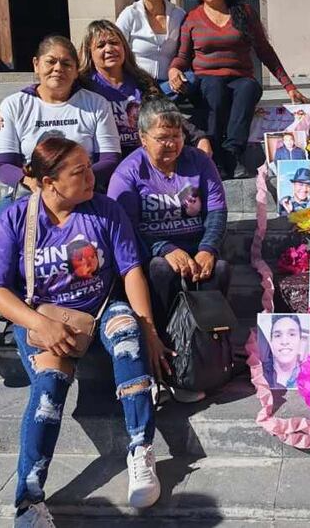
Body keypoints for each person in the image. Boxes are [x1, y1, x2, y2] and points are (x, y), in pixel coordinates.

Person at [0, 137, 167, 523]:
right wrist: (39, 324)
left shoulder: (105, 211)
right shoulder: (13, 221)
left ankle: (140, 449)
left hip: (100, 306)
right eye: (79, 172)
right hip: (43, 315)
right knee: (49, 389)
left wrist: (148, 327)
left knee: (128, 338)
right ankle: (28, 501)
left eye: (89, 166)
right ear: (49, 183)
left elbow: (131, 270)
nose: (91, 177)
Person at [0, 35, 121, 372]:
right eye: (50, 61)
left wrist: (72, 182)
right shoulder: (14, 106)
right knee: (0, 219)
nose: (58, 68)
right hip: (31, 190)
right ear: (36, 65)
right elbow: (3, 163)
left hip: (83, 190)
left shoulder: (94, 104)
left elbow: (110, 156)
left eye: (66, 62)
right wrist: (30, 181)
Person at [107, 98, 232, 403]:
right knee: (161, 271)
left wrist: (207, 248)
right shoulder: (129, 172)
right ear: (142, 138)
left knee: (220, 270)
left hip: (195, 245)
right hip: (153, 251)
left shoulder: (199, 162)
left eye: (176, 136)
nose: (171, 144)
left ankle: (206, 356)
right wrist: (164, 247)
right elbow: (127, 228)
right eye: (162, 138)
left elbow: (217, 211)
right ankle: (166, 361)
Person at [168, 0, 309, 179]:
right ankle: (214, 155)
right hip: (207, 81)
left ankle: (232, 154)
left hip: (240, 77)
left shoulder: (243, 12)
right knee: (214, 88)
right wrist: (174, 70)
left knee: (248, 88)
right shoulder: (192, 19)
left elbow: (264, 50)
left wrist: (288, 85)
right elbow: (183, 57)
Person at [0, 20, 212, 157]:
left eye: (114, 43)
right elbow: (47, 89)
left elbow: (167, 114)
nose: (109, 49)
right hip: (106, 160)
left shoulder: (142, 82)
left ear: (124, 48)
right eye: (101, 45)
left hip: (145, 155)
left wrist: (199, 137)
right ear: (90, 52)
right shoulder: (82, 84)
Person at [116, 0, 188, 93]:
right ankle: (153, 99)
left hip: (170, 84)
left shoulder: (178, 15)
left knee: (192, 79)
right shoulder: (129, 15)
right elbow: (116, 48)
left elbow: (186, 51)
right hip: (138, 84)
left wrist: (176, 71)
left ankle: (155, 99)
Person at [261, 315, 307, 389]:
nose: (284, 342)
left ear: (301, 342)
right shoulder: (261, 375)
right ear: (270, 342)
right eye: (278, 335)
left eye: (292, 334)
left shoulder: (309, 376)